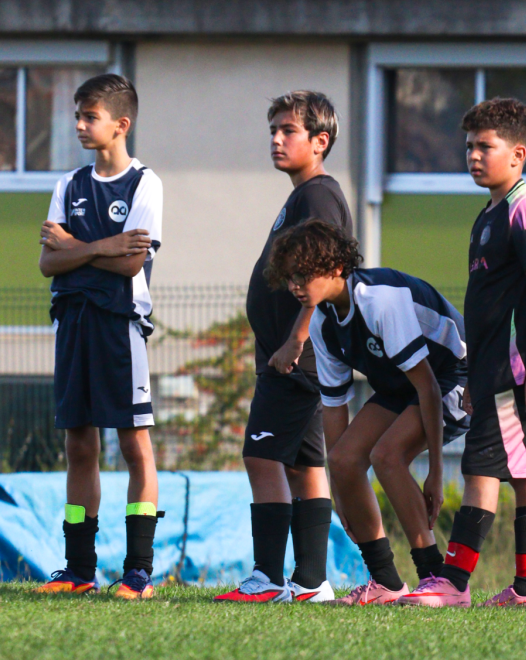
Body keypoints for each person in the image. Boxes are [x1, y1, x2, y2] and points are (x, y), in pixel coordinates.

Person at [400, 98, 526, 608]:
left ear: (517, 154)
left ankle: (453, 584)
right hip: (495, 371)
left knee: (485, 471)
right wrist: (474, 377)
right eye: (469, 145)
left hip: (517, 372)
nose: (473, 155)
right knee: (523, 471)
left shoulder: (525, 210)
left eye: (484, 146)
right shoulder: (491, 211)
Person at [265, 219, 469, 605]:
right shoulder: (323, 321)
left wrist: (437, 475)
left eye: (302, 275)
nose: (294, 285)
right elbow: (333, 406)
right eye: (289, 277)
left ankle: (436, 579)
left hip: (453, 376)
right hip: (402, 383)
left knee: (387, 456)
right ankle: (386, 583)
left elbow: (427, 386)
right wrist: (343, 488)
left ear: (336, 267)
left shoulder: (380, 300)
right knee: (342, 459)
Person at [215, 91, 352, 604]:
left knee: (261, 456)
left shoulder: (318, 196)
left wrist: (296, 338)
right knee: (304, 465)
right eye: (272, 129)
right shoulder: (301, 195)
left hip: (297, 355)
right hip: (291, 352)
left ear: (320, 142)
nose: (275, 139)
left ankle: (268, 577)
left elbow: (329, 271)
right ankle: (312, 582)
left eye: (287, 131)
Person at [34, 74, 164, 599]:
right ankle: (78, 569)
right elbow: (47, 263)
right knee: (78, 445)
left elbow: (133, 260)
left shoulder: (145, 183)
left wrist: (78, 246)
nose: (80, 126)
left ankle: (138, 571)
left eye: (90, 117)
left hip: (119, 326)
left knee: (134, 445)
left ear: (120, 124)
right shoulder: (68, 184)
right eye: (78, 117)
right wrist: (102, 247)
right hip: (74, 323)